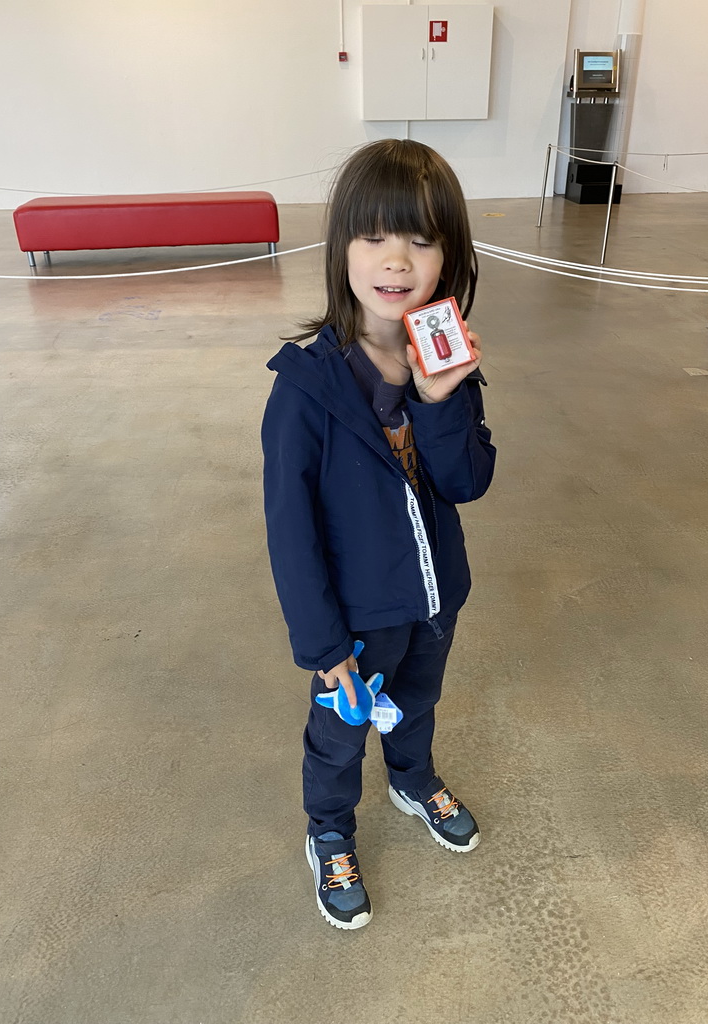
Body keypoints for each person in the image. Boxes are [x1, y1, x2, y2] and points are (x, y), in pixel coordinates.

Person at [261, 139, 496, 930]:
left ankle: (412, 776)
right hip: (355, 626)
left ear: (449, 255)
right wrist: (325, 647)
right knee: (337, 734)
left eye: (421, 239)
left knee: (419, 702)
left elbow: (467, 482)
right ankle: (329, 829)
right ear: (341, 248)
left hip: (433, 601)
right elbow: (291, 538)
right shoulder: (305, 392)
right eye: (374, 237)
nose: (396, 260)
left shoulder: (447, 363)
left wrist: (440, 400)